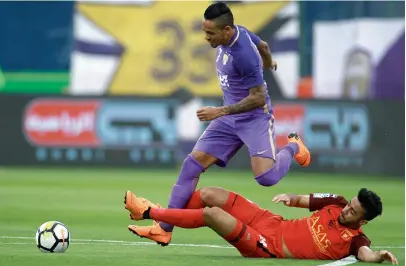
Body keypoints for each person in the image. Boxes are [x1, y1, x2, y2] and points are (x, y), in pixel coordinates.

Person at [129, 2, 310, 245]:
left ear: (226, 30)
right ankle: (163, 228)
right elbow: (264, 45)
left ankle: (294, 148)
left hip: (254, 118)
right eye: (205, 32)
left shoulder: (243, 55)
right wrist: (268, 60)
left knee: (265, 178)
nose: (206, 37)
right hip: (228, 118)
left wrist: (220, 111)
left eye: (210, 33)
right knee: (191, 165)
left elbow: (257, 99)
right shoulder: (238, 32)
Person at [124, 187, 398, 264]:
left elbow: (365, 255)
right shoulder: (336, 202)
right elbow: (302, 199)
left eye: (353, 211)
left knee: (212, 214)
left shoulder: (356, 241)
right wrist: (289, 199)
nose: (347, 209)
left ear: (362, 221)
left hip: (266, 245)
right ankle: (164, 227)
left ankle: (148, 212)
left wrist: (379, 256)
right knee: (210, 194)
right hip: (270, 221)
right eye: (350, 203)